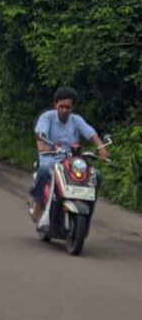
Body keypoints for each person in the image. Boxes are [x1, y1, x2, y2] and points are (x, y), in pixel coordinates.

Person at [28, 87, 108, 225]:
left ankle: (88, 207)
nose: (64, 110)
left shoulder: (77, 120)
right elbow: (41, 135)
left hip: (72, 160)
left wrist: (101, 148)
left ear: (73, 108)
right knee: (44, 170)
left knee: (97, 175)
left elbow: (91, 134)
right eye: (61, 106)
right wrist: (42, 147)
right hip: (50, 157)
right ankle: (38, 201)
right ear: (55, 105)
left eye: (68, 107)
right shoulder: (47, 117)